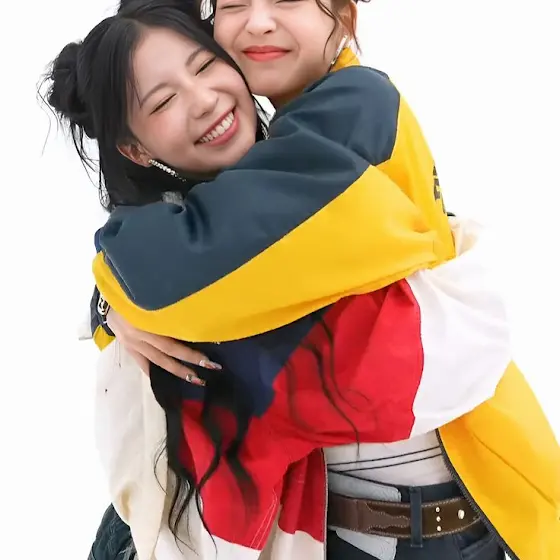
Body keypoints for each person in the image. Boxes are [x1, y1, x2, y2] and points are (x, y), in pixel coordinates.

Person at [45, 1, 558, 560]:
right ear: (135, 149)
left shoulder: (353, 109)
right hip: (320, 532)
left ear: (344, 15)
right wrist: (113, 308)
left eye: (203, 66)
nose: (259, 22)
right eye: (234, 4)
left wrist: (117, 292)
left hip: (438, 527)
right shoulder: (249, 179)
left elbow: (185, 271)